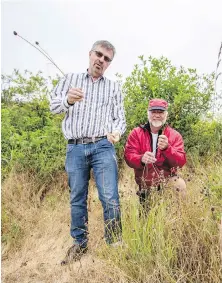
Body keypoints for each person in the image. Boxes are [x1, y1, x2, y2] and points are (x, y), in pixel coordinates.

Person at [50, 40, 126, 264]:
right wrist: (68, 100)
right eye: (99, 55)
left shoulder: (113, 87)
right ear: (90, 54)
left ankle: (114, 242)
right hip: (75, 147)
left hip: (103, 146)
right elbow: (53, 106)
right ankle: (79, 244)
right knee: (77, 198)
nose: (101, 60)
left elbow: (119, 118)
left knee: (110, 197)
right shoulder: (70, 79)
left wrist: (117, 132)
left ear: (109, 64)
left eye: (107, 59)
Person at [124, 98, 186, 206]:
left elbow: (180, 162)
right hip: (145, 184)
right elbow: (128, 157)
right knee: (147, 219)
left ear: (166, 114)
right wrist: (141, 159)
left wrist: (168, 148)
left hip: (167, 182)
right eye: (153, 112)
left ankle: (177, 220)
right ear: (148, 113)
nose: (157, 115)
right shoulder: (136, 133)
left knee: (179, 184)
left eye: (160, 112)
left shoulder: (175, 135)